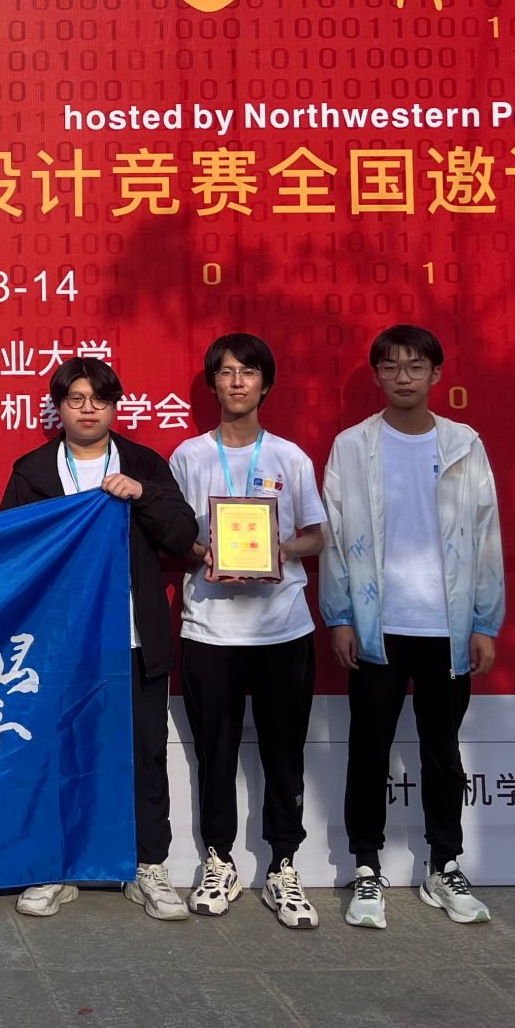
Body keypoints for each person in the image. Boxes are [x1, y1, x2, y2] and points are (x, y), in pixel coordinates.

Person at [1, 356, 201, 922]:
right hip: (61, 643)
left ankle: (148, 865)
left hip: (134, 639)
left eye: (99, 399)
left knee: (145, 753)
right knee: (57, 750)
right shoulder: (33, 470)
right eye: (76, 399)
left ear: (115, 406)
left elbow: (183, 536)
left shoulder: (143, 463)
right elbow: (12, 552)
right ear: (58, 408)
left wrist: (143, 495)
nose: (88, 409)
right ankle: (56, 866)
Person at [320, 324, 505, 930]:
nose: (403, 377)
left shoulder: (463, 443)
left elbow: (485, 536)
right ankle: (366, 866)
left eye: (415, 366)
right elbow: (334, 535)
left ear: (436, 375)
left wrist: (484, 621)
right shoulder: (353, 446)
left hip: (447, 628)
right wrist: (341, 615)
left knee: (442, 752)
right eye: (392, 366)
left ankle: (443, 865)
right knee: (369, 749)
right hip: (379, 625)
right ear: (376, 375)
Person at [168, 334, 325, 929]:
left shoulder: (290, 457)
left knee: (285, 752)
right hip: (210, 628)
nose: (237, 382)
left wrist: (278, 551)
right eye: (227, 372)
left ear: (266, 384)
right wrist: (205, 552)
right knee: (216, 754)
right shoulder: (189, 456)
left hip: (283, 628)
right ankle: (219, 860)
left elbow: (317, 534)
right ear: (213, 383)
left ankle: (284, 865)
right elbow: (175, 536)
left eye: (249, 372)